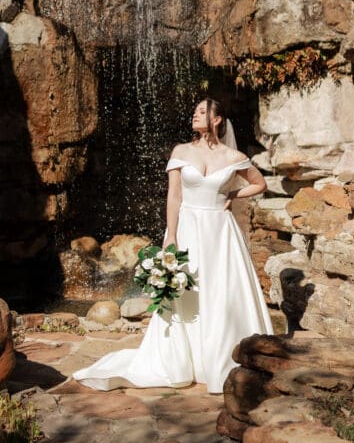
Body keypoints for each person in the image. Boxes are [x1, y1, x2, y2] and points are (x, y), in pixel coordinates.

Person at [73, 97, 274, 394]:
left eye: (203, 112)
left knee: (220, 291)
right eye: (195, 111)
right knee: (187, 293)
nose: (195, 115)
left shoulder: (233, 156)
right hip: (189, 228)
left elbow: (260, 184)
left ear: (217, 120)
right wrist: (171, 235)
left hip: (220, 232)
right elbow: (174, 197)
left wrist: (234, 197)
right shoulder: (181, 151)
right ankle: (184, 361)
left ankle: (218, 360)